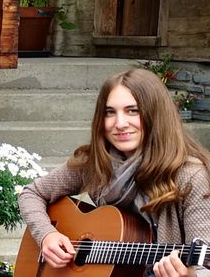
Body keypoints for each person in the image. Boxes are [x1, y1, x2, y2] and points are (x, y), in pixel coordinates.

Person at [19, 68, 210, 277]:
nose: (119, 124)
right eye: (110, 112)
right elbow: (31, 193)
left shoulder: (190, 175)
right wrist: (47, 235)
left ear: (156, 115)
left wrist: (189, 275)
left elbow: (203, 268)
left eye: (132, 111)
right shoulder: (95, 163)